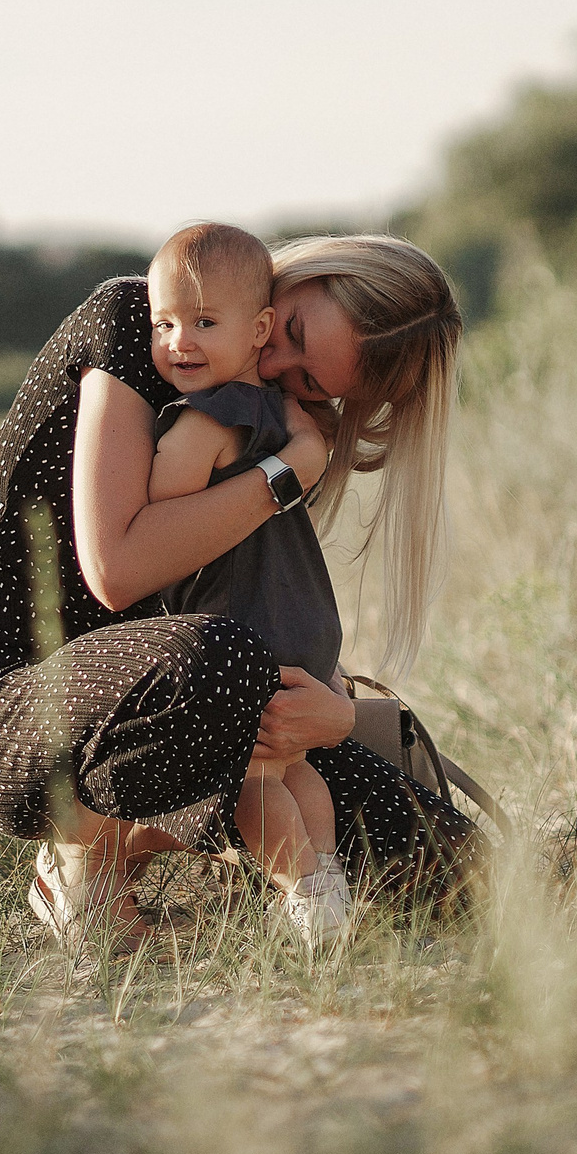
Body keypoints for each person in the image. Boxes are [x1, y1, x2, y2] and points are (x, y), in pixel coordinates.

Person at [0, 233, 478, 949]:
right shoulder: (138, 322)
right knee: (221, 662)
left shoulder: (268, 411)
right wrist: (286, 472)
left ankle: (172, 844)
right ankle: (80, 857)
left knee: (455, 870)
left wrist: (334, 713)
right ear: (303, 274)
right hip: (18, 716)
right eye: (289, 333)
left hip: (205, 691)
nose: (279, 368)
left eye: (312, 383)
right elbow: (118, 567)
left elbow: (252, 600)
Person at [142, 223, 348, 943]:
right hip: (303, 622)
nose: (178, 343)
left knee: (254, 784)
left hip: (244, 628)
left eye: (203, 322)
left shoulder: (209, 415)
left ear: (258, 328)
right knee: (295, 772)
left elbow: (160, 507)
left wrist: (149, 443)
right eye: (164, 322)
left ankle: (300, 898)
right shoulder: (280, 415)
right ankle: (325, 879)